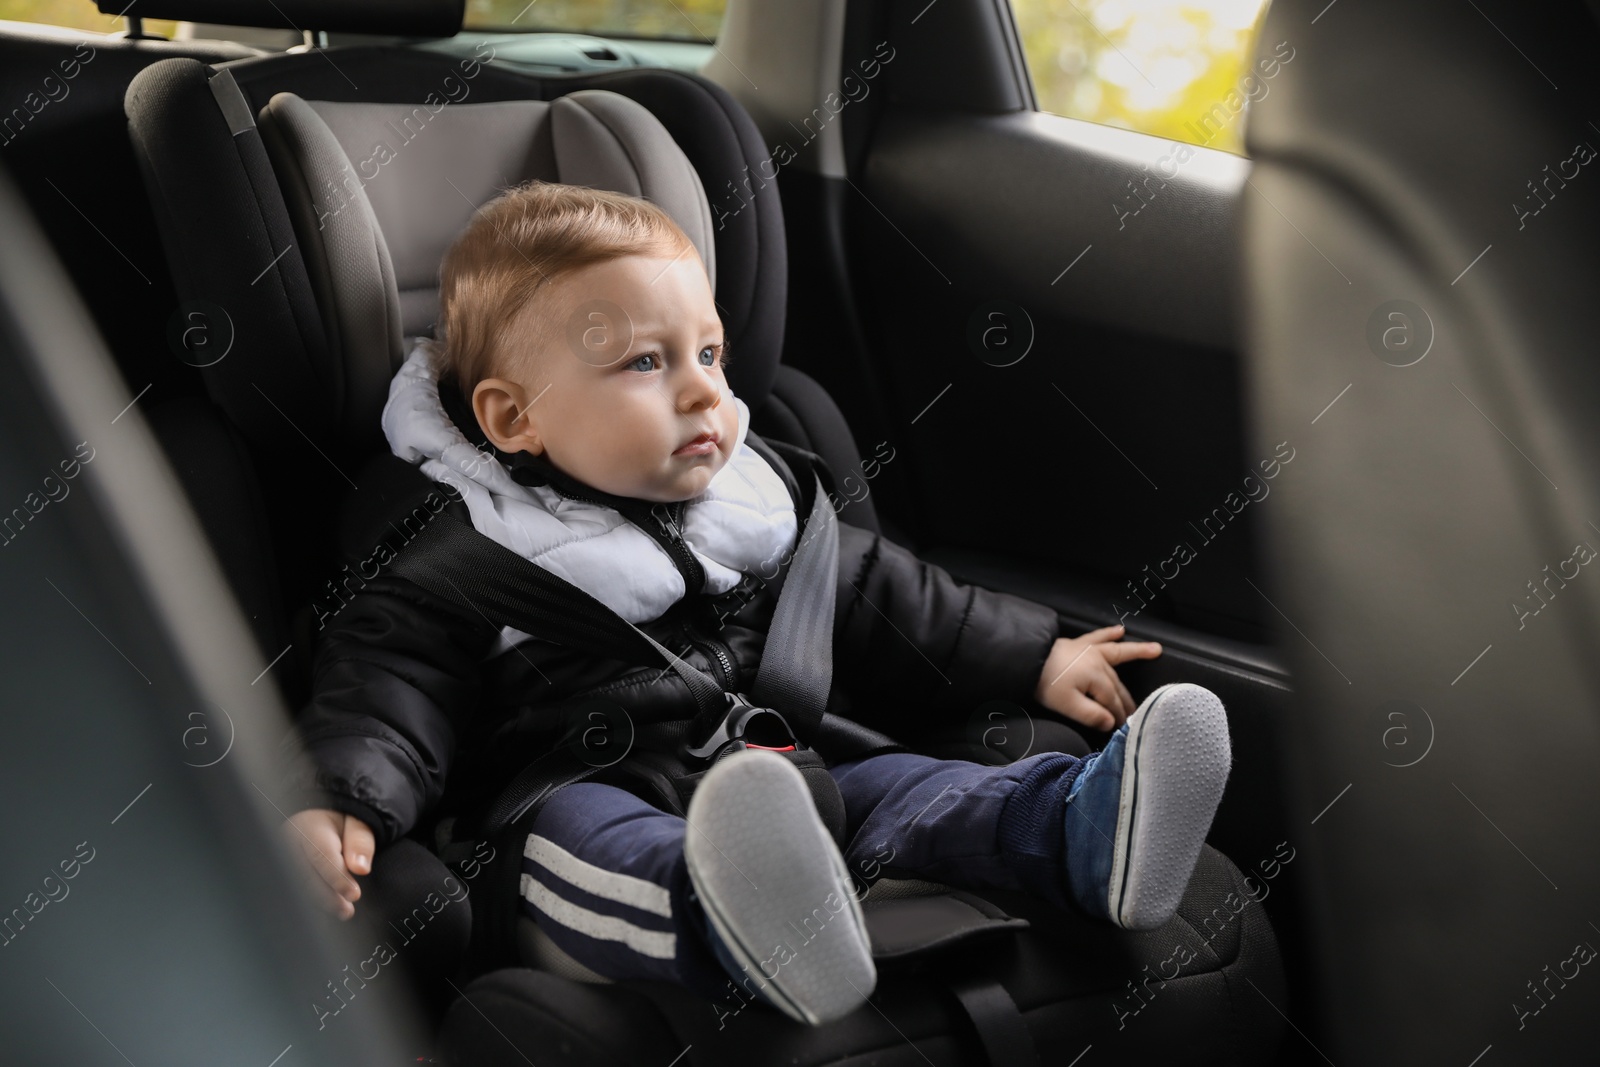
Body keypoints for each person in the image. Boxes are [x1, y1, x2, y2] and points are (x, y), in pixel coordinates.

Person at [281, 181, 1232, 1026]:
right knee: (592, 843)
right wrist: (344, 801)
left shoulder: (747, 502)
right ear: (512, 416)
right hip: (567, 799)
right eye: (645, 364)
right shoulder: (462, 549)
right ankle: (731, 924)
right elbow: (385, 687)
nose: (704, 392)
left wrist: (1038, 655)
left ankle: (1076, 830)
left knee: (900, 784)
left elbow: (883, 595)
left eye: (709, 352)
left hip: (774, 774)